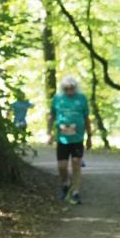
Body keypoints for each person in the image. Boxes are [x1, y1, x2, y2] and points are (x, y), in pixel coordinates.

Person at [48, 75, 91, 204]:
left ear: (75, 88)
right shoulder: (57, 99)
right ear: (63, 89)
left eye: (72, 88)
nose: (69, 91)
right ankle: (65, 184)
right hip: (62, 138)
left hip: (77, 138)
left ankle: (76, 191)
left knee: (77, 162)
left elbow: (87, 118)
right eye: (66, 88)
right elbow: (52, 116)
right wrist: (49, 133)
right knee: (62, 166)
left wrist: (90, 136)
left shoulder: (82, 98)